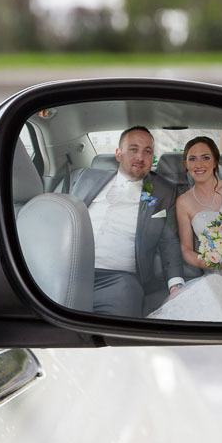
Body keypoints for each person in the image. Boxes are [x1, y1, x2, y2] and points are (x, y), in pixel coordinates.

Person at [147, 136, 222, 322]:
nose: (199, 164)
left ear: (215, 161)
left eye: (205, 157)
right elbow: (187, 251)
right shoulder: (184, 202)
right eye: (192, 159)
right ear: (186, 164)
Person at [69, 126, 184, 316]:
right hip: (68, 269)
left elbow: (169, 241)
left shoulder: (164, 191)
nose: (140, 157)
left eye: (147, 151)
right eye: (133, 149)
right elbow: (64, 217)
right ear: (118, 154)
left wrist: (176, 285)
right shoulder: (86, 177)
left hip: (117, 280)